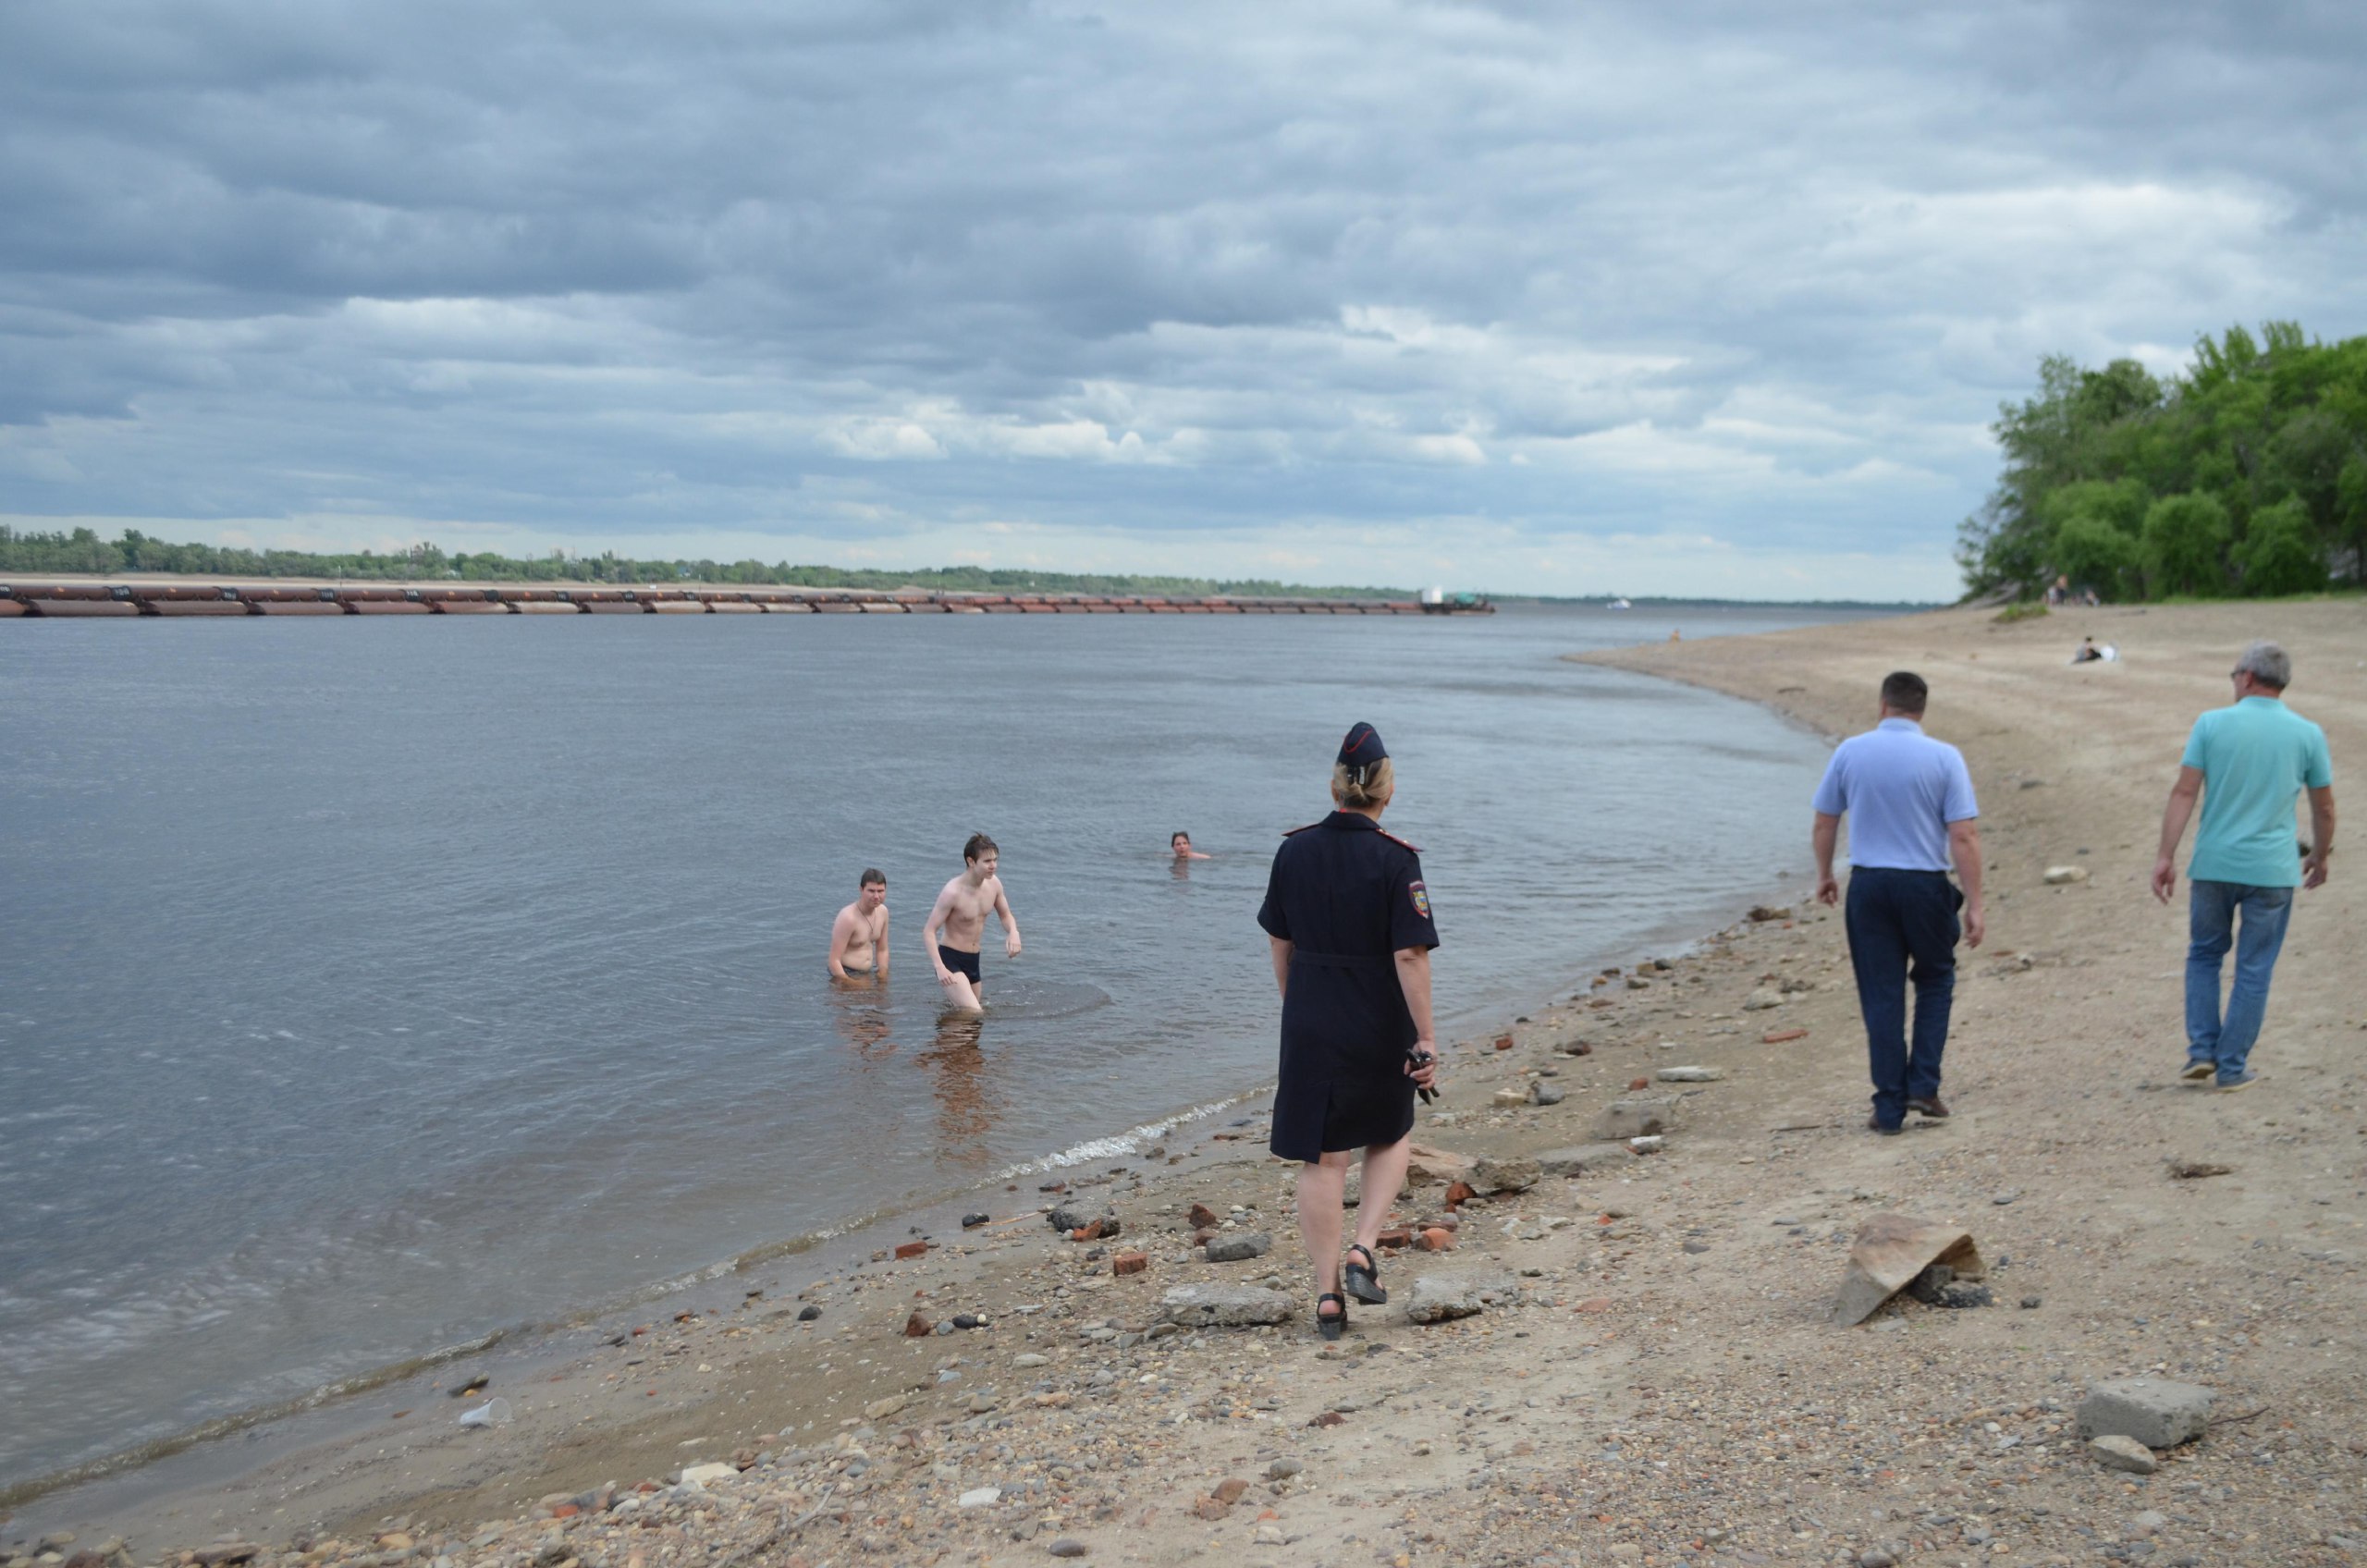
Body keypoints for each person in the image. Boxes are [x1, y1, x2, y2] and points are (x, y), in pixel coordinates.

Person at [1257, 721, 1440, 1340]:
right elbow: (1409, 955)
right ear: (1387, 790)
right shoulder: (1396, 859)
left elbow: (1279, 942)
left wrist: (1299, 1007)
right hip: (1377, 1015)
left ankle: (1327, 1295)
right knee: (1390, 1133)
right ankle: (1364, 1247)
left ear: (1335, 787)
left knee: (1323, 1156)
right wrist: (1426, 1039)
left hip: (1311, 1013)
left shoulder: (1293, 851)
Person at [2150, 641, 2336, 1092]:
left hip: (2214, 865)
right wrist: (2320, 854)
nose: (2233, 682)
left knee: (2204, 954)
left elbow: (2184, 792)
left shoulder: (2211, 724)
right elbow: (2325, 807)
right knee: (2254, 968)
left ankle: (2201, 1051)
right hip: (2272, 871)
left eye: (2234, 675)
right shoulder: (2308, 733)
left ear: (2248, 677)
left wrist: (2166, 855)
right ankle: (2231, 1066)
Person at [1811, 671, 1986, 1134]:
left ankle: (1888, 1107)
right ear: (1921, 710)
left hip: (1869, 885)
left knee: (1882, 993)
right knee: (1935, 978)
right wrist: (1975, 903)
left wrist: (1825, 875)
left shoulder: (1851, 751)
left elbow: (1825, 821)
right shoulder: (1944, 757)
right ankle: (1923, 1085)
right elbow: (1963, 835)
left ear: (1882, 704)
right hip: (1925, 885)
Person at [924, 833, 1022, 1011]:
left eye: (995, 860)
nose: (993, 866)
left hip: (973, 960)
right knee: (974, 1012)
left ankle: (946, 1029)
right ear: (971, 861)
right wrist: (940, 968)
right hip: (950, 959)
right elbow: (929, 931)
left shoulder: (994, 885)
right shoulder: (952, 892)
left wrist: (1013, 932)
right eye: (987, 861)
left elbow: (1006, 915)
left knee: (970, 1023)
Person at [828, 869, 890, 981]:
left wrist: (883, 974)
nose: (876, 896)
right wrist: (850, 983)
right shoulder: (848, 918)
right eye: (871, 891)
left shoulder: (883, 912)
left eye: (880, 891)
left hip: (867, 974)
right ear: (861, 890)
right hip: (846, 973)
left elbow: (882, 949)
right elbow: (833, 961)